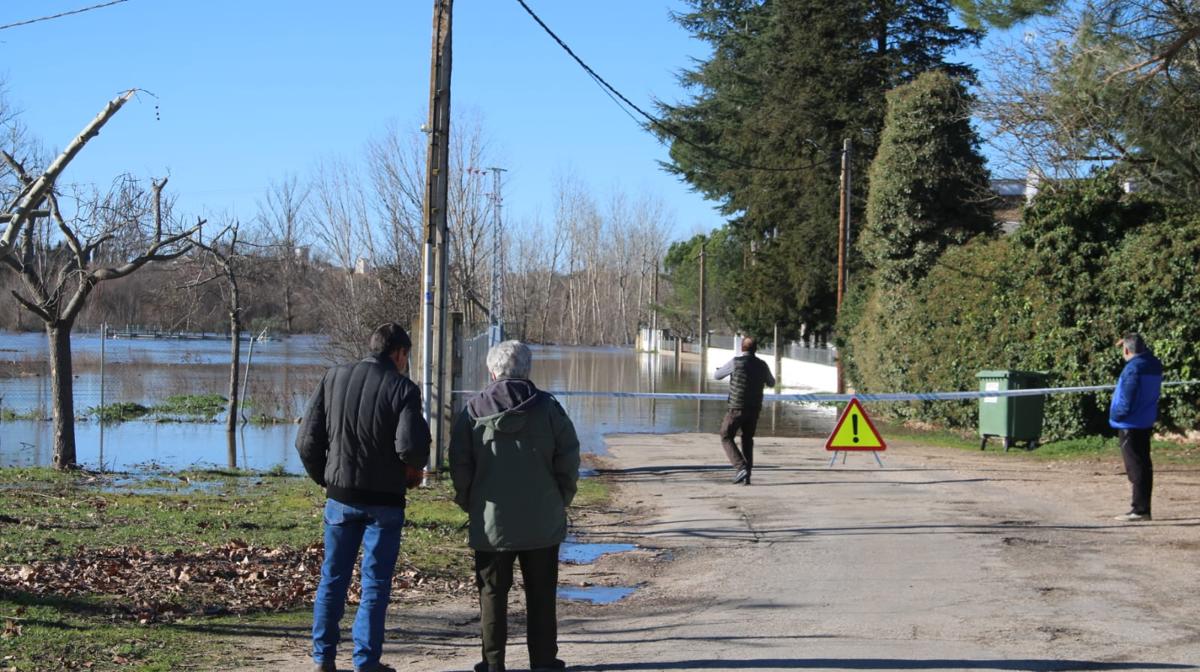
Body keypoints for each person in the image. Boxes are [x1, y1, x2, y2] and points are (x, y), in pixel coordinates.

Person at [296, 322, 431, 672]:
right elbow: (411, 447)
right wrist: (413, 470)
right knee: (374, 583)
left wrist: (326, 480)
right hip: (384, 502)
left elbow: (306, 442)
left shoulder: (334, 377)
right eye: (406, 356)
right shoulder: (403, 389)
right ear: (399, 353)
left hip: (340, 496)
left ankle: (322, 657)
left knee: (333, 577)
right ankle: (366, 662)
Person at [450, 340, 580, 672]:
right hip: (542, 520)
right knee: (541, 594)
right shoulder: (549, 409)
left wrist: (470, 503)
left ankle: (493, 664)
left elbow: (460, 465)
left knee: (492, 594)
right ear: (527, 370)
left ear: (492, 371)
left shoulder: (472, 412)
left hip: (491, 521)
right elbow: (568, 457)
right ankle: (544, 662)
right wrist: (561, 498)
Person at [1109, 331, 1163, 522]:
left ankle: (1139, 510)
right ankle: (1143, 508)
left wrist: (1116, 415)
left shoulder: (1133, 369)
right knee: (1144, 464)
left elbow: (1127, 396)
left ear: (1126, 349)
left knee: (1136, 466)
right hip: (1144, 419)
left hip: (1129, 422)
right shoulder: (1153, 364)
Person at [714, 337, 776, 485]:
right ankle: (747, 475)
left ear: (742, 348)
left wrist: (723, 369)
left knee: (725, 435)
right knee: (747, 439)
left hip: (737, 407)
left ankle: (740, 467)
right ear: (755, 349)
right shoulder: (762, 365)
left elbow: (717, 376)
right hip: (754, 409)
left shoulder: (736, 362)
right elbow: (772, 383)